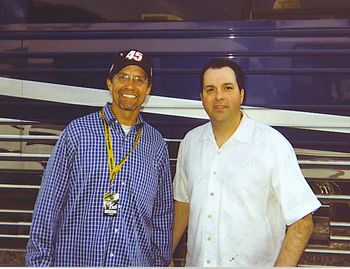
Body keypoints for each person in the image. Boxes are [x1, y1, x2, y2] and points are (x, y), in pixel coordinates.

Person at [25, 49, 173, 266]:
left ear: (148, 89)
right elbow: (48, 205)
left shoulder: (156, 144)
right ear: (110, 83)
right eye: (123, 77)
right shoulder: (77, 133)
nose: (130, 86)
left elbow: (162, 215)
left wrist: (159, 262)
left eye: (139, 79)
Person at [172, 58, 321, 267]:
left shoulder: (272, 144)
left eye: (228, 88)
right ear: (201, 97)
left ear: (241, 95)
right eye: (210, 89)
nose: (219, 97)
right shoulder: (190, 142)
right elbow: (183, 203)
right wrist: (165, 254)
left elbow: (302, 223)